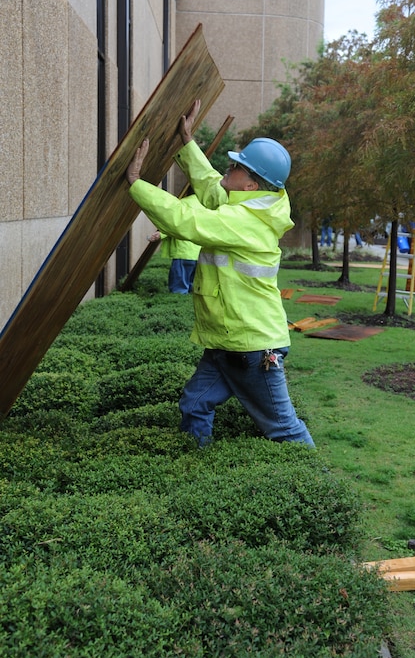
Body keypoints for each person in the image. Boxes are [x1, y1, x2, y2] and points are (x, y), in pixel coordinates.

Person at [126, 99, 315, 448]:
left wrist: (137, 184)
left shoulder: (246, 223)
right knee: (195, 404)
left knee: (283, 429)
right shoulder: (249, 205)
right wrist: (188, 143)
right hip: (229, 342)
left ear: (251, 186)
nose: (231, 165)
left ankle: (319, 493)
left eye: (239, 166)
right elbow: (214, 190)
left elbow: (188, 221)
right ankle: (195, 465)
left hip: (253, 347)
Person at [148, 230, 200, 294]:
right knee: (190, 284)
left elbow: (175, 227)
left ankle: (179, 300)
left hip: (183, 252)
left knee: (179, 288)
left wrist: (161, 234)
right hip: (195, 253)